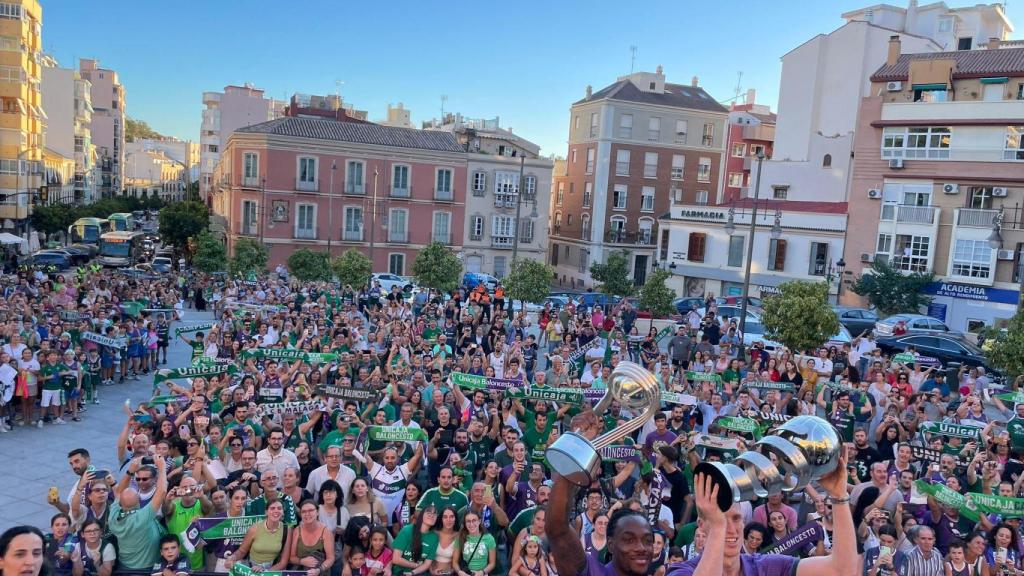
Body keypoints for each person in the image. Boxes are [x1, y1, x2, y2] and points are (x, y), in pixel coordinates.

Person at [225, 499, 291, 571]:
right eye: (272, 508)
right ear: (266, 512)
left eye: (279, 508)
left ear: (283, 512)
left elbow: (283, 562)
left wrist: (265, 572)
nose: (276, 511)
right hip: (251, 567)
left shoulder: (287, 530)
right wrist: (232, 558)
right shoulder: (255, 528)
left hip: (273, 569)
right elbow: (242, 551)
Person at [288, 499, 336, 576]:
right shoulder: (297, 530)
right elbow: (292, 558)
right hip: (300, 571)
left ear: (317, 512)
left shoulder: (326, 532)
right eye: (303, 511)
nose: (307, 514)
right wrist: (301, 561)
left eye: (311, 510)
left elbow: (330, 558)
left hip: (320, 572)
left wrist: (319, 570)